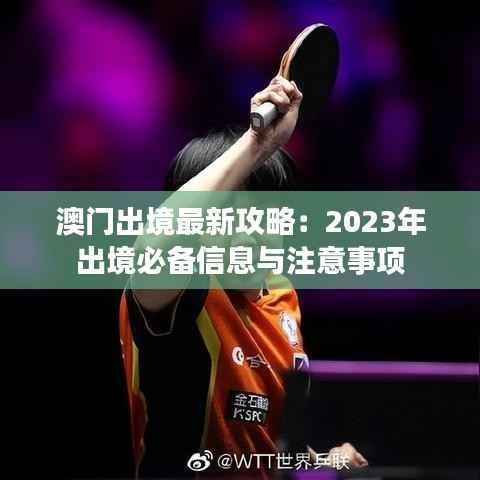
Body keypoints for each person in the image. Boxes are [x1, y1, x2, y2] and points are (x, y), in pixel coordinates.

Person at [119, 76, 368, 477]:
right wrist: (257, 142)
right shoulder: (180, 291)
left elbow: (264, 449)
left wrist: (323, 463)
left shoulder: (281, 297)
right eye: (228, 215)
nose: (249, 232)